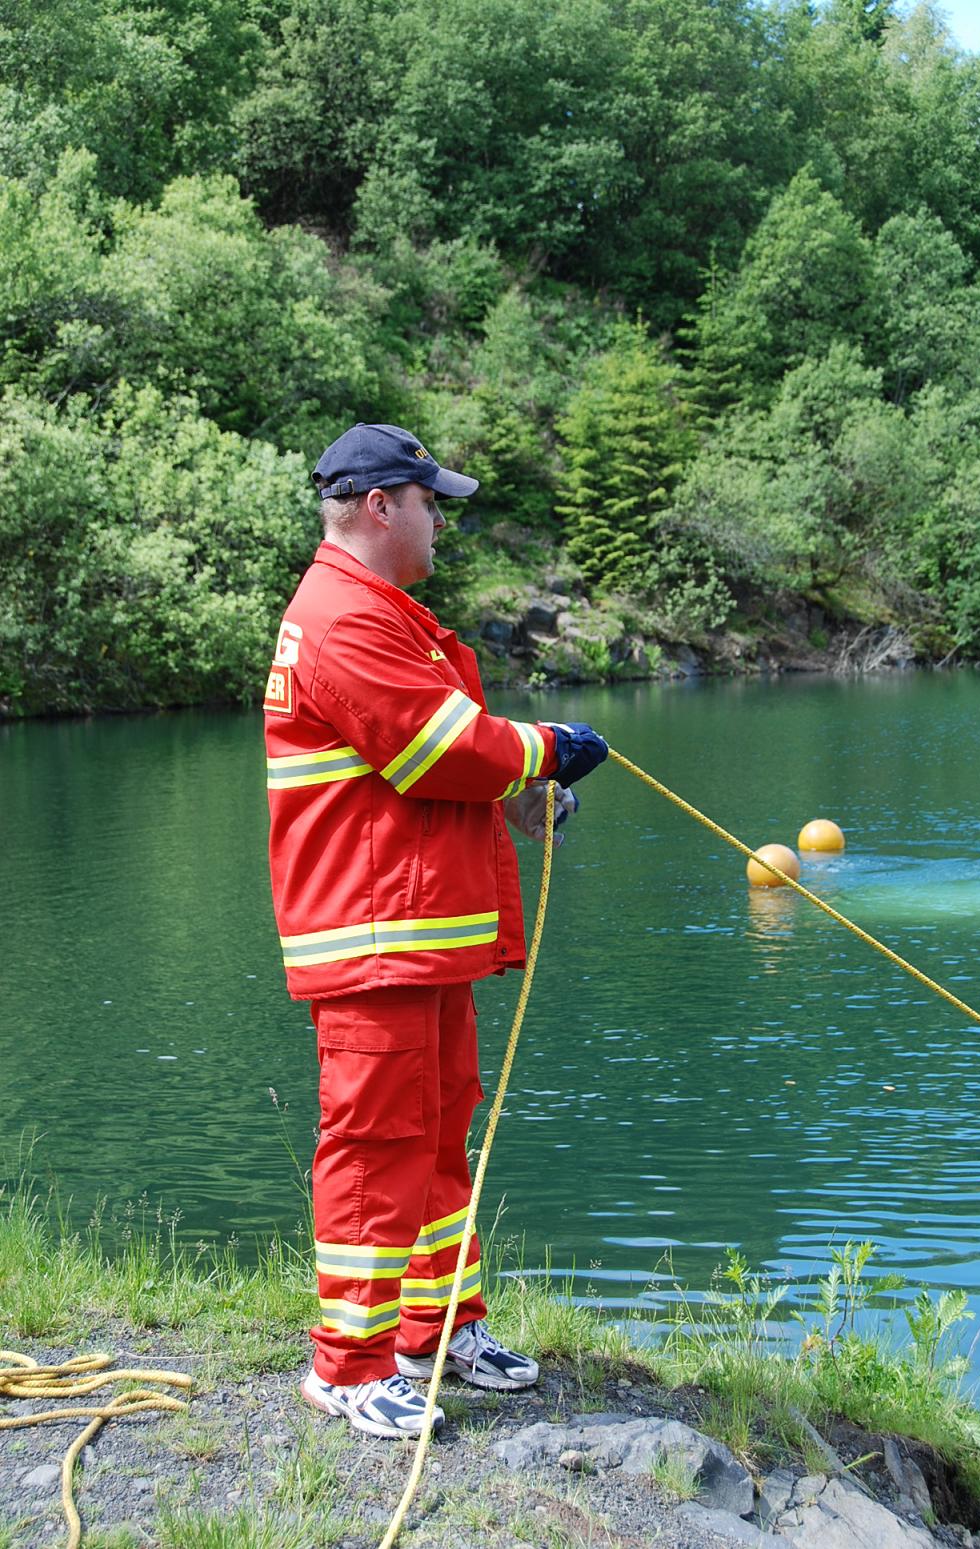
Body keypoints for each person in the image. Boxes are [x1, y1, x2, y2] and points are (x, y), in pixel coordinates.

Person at [263, 423, 609, 1439]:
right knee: (376, 1150)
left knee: (436, 1136)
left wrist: (517, 792)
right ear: (380, 504)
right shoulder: (340, 616)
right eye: (430, 503)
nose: (441, 524)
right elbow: (438, 747)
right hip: (371, 940)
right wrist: (548, 749)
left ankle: (434, 1330)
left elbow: (416, 758)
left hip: (414, 933)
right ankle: (348, 1367)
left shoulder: (379, 612)